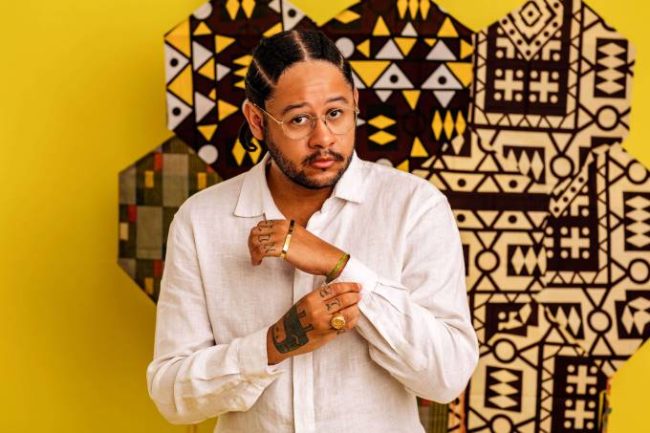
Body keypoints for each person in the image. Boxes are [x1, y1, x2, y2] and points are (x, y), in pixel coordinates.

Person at [147, 29, 478, 433]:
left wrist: (338, 264)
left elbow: (447, 377)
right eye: (299, 120)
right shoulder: (201, 221)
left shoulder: (414, 207)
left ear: (355, 103)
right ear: (256, 121)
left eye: (336, 113)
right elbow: (171, 396)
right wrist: (276, 342)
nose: (323, 138)